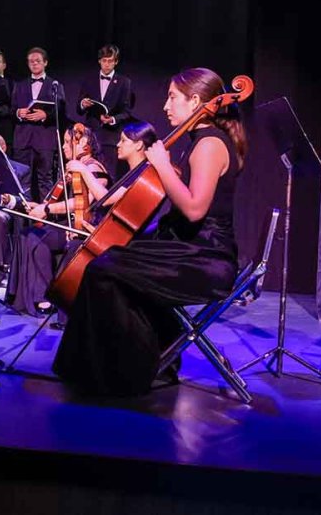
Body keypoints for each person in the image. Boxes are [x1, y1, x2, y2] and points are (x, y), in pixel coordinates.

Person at [52, 68, 245, 396]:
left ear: (196, 101)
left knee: (103, 270)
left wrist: (163, 166)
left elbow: (195, 209)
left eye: (173, 97)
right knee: (110, 264)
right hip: (191, 249)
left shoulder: (210, 144)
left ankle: (121, 372)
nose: (166, 105)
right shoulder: (199, 141)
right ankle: (150, 361)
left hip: (206, 258)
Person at [7, 125, 113, 316]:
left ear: (84, 144)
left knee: (35, 237)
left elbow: (86, 201)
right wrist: (38, 207)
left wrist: (47, 209)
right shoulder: (72, 169)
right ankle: (33, 296)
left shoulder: (95, 168)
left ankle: (48, 297)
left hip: (85, 228)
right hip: (68, 225)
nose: (63, 147)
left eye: (67, 142)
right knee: (28, 234)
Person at [10, 47, 66, 202]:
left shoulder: (55, 85)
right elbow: (11, 110)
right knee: (21, 180)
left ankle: (45, 219)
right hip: (23, 140)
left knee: (45, 180)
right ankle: (21, 220)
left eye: (38, 61)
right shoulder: (19, 85)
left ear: (45, 63)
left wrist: (45, 115)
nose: (34, 64)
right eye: (31, 62)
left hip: (44, 140)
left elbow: (61, 111)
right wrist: (18, 113)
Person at [77, 45, 135, 177]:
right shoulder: (89, 80)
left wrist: (113, 119)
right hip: (91, 136)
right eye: (104, 61)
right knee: (90, 175)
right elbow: (78, 109)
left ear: (116, 62)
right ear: (99, 61)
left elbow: (127, 112)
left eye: (110, 61)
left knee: (110, 176)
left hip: (111, 138)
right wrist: (83, 104)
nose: (107, 64)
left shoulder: (124, 82)